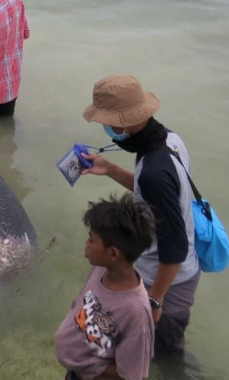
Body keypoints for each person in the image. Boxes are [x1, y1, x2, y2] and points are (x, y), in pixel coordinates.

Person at [80, 75, 201, 356]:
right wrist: (109, 168)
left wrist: (155, 301)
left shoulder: (154, 173)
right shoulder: (169, 140)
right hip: (173, 271)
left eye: (106, 122)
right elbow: (155, 193)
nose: (106, 128)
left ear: (122, 121)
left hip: (168, 281)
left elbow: (175, 249)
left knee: (163, 356)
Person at [55, 193, 156, 380]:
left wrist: (90, 367)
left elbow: (132, 374)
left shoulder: (135, 312)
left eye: (92, 239)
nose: (86, 243)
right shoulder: (101, 269)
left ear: (113, 253)